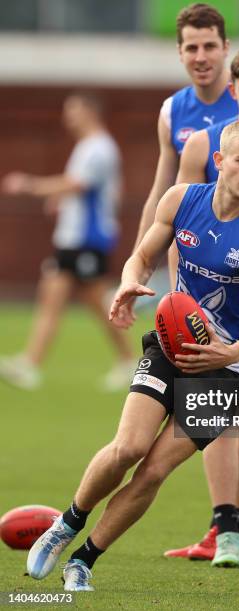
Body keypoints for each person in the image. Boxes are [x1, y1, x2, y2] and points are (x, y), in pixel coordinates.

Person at [26, 120, 239, 591]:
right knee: (128, 447)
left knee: (154, 471)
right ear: (220, 161)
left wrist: (229, 353)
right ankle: (66, 524)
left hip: (225, 371)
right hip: (171, 345)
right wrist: (129, 280)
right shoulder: (181, 200)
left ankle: (83, 561)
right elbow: (142, 255)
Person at [163, 46, 239, 562]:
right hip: (215, 301)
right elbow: (174, 227)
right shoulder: (205, 144)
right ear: (235, 91)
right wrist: (178, 301)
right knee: (219, 411)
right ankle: (224, 526)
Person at [0, 92, 135, 391]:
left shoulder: (99, 148)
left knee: (99, 303)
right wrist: (59, 198)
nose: (67, 117)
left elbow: (77, 184)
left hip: (87, 238)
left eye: (72, 111)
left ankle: (129, 361)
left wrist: (30, 185)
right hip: (73, 237)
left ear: (89, 112)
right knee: (54, 297)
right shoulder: (89, 147)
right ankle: (30, 364)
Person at [133, 2, 238, 248]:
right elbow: (161, 193)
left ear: (225, 48)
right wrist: (136, 264)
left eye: (209, 46)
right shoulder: (172, 110)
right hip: (199, 247)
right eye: (192, 48)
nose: (201, 57)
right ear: (180, 52)